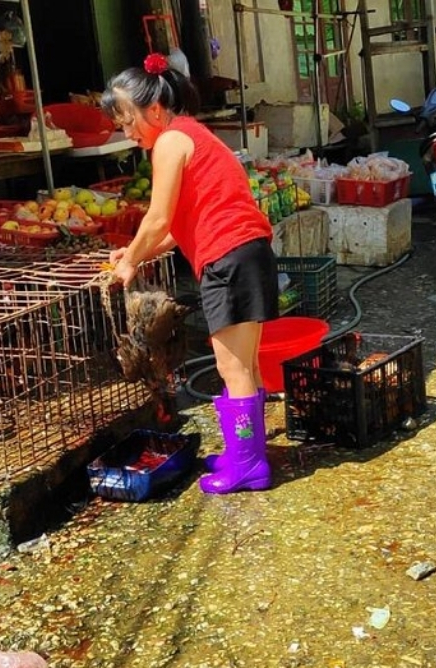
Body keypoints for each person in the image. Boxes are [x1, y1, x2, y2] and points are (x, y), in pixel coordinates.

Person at [103, 53, 278, 495]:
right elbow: (179, 229)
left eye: (128, 122)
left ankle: (249, 466)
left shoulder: (169, 143)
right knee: (245, 366)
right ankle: (246, 455)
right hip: (244, 253)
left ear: (155, 110)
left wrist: (127, 264)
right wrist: (138, 253)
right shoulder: (190, 135)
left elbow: (158, 218)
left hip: (230, 258)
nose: (127, 134)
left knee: (232, 367)